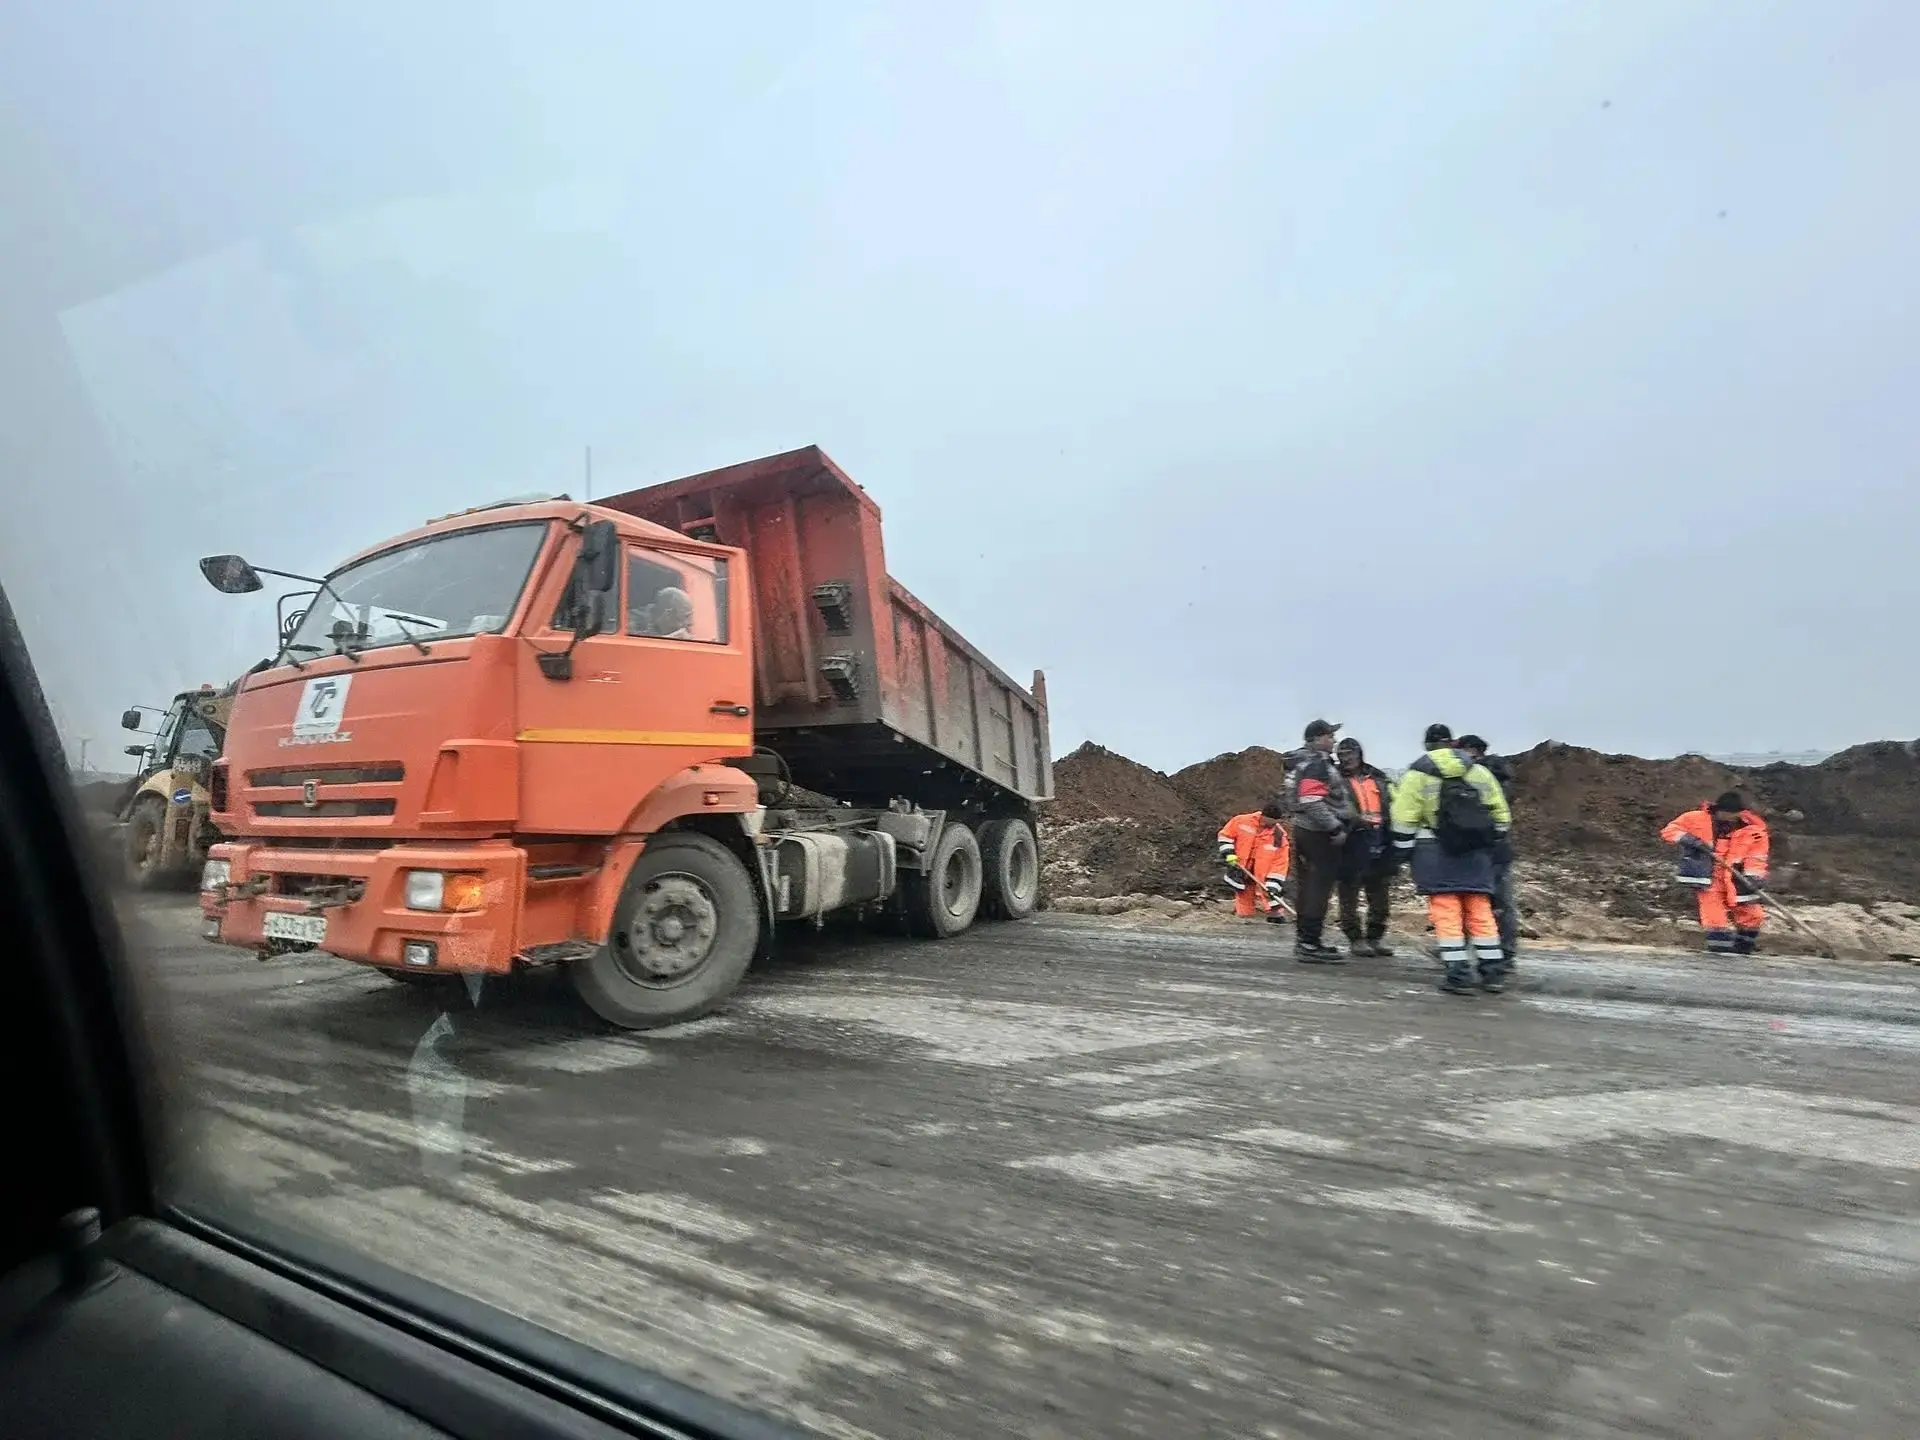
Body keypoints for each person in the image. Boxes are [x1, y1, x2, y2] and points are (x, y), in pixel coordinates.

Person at [1389, 723, 1513, 995]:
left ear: (1427, 745)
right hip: (1476, 852)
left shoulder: (1417, 775)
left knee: (1447, 913)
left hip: (1434, 851)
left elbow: (1404, 819)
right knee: (1480, 909)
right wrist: (1488, 842)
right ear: (1452, 743)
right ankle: (1493, 973)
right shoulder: (1478, 771)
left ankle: (1459, 975)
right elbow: (1501, 817)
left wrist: (1402, 852)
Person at [1285, 718, 1359, 962]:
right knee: (1318, 887)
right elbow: (1311, 800)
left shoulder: (1302, 762)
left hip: (1307, 830)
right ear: (1317, 738)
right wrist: (1334, 827)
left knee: (1309, 886)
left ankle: (1306, 940)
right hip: (1318, 834)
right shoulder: (1316, 764)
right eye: (1330, 736)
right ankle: (1309, 943)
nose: (1334, 740)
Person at [1661, 791, 1770, 954]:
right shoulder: (1695, 818)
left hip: (1736, 878)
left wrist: (1754, 877)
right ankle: (1719, 953)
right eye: (1726, 813)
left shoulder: (1754, 832)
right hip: (1707, 876)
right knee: (1715, 917)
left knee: (1753, 915)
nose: (1729, 817)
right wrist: (1690, 840)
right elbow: (1669, 831)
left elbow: (1756, 858)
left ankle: (1743, 951)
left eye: (1733, 814)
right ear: (1718, 810)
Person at [1457, 735, 1518, 967]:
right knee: (1498, 902)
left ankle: (1463, 948)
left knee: (1476, 900)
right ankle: (1504, 951)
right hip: (1497, 848)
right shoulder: (1500, 777)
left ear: (1472, 750)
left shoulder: (1479, 776)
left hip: (1483, 849)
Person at [1333, 737, 1396, 956]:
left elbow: (1391, 804)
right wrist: (1355, 821)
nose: (1346, 758)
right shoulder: (1335, 779)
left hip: (1379, 837)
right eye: (1342, 755)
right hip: (1351, 839)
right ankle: (1355, 938)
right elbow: (1335, 807)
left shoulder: (1378, 777)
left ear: (1359, 754)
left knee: (1380, 892)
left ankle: (1375, 936)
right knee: (1349, 892)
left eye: (1350, 753)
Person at [1216, 797, 1292, 923]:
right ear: (1263, 816)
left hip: (1264, 873)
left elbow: (1280, 862)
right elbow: (1225, 835)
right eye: (1271, 822)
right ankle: (1245, 920)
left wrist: (1274, 883)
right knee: (1243, 894)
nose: (1273, 825)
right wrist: (1229, 853)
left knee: (1271, 895)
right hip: (1242, 867)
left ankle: (1276, 918)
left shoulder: (1278, 836)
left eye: (1275, 822)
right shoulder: (1241, 821)